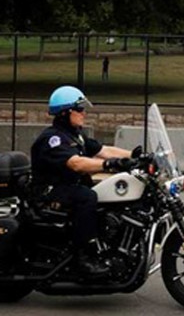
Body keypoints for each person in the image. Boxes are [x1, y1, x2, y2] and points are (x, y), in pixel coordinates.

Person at [30, 85, 137, 276]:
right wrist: (110, 165)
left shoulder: (75, 135)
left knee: (104, 196)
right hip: (49, 192)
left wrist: (137, 156)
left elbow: (104, 150)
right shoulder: (53, 139)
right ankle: (83, 257)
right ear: (65, 113)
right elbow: (76, 164)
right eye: (79, 109)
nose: (83, 113)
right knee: (87, 197)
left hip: (66, 188)